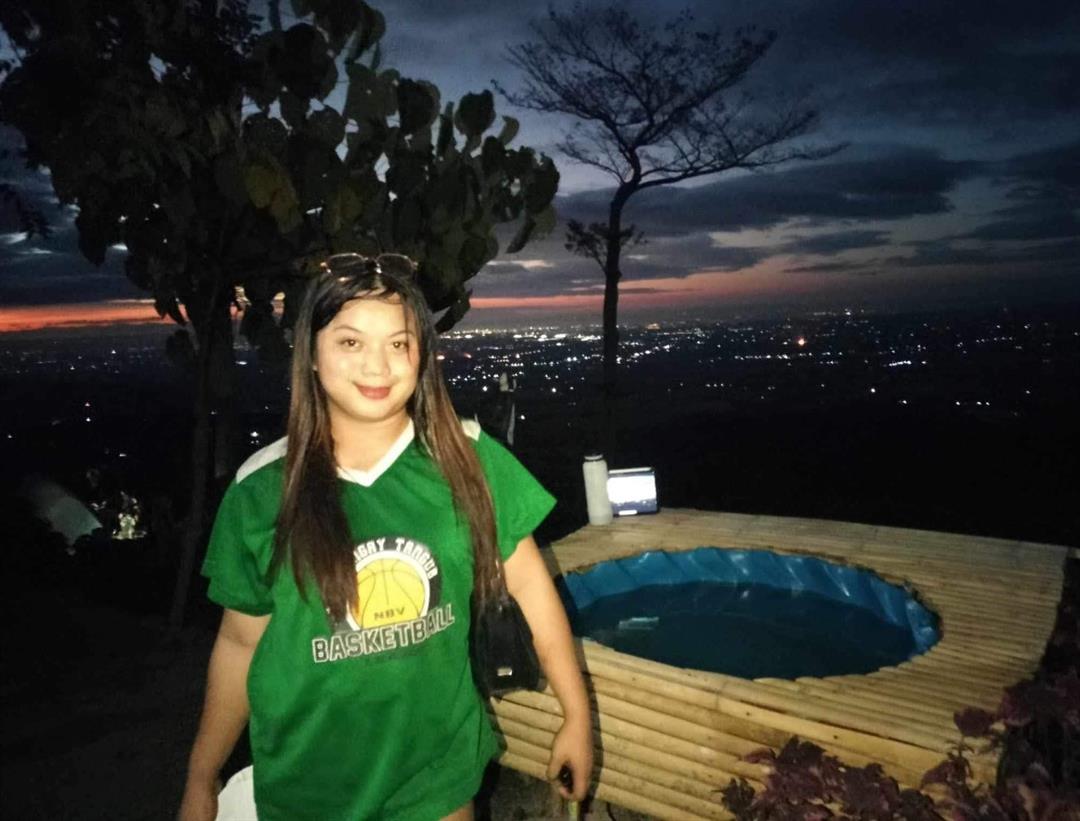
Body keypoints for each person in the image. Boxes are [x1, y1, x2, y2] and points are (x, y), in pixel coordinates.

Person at [178, 254, 592, 821]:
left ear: (422, 355)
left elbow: (528, 585)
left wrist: (576, 715)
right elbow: (240, 644)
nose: (378, 364)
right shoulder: (262, 492)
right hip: (307, 782)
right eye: (350, 341)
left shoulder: (468, 461)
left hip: (435, 776)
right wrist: (201, 775)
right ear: (311, 354)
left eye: (398, 343)